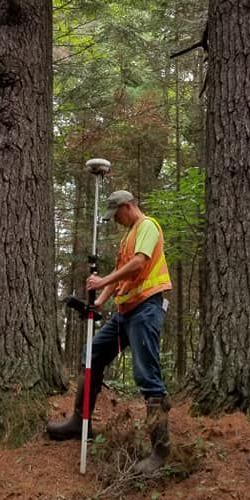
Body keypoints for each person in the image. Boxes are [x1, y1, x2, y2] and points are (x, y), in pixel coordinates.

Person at [47, 190, 173, 474]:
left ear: (127, 207)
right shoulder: (128, 236)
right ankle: (81, 421)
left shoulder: (147, 227)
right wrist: (100, 302)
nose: (115, 221)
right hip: (125, 312)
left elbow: (138, 264)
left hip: (147, 309)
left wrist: (103, 279)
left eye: (116, 215)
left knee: (146, 375)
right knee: (92, 354)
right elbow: (120, 275)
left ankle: (160, 451)